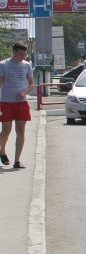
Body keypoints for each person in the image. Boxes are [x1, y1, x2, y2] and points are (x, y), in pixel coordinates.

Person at [0, 42, 35, 170]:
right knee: (6, 131)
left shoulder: (26, 65)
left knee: (21, 131)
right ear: (14, 52)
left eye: (25, 54)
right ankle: (2, 150)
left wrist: (24, 92)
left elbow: (31, 84)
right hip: (6, 102)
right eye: (21, 54)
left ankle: (17, 160)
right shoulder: (3, 65)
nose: (23, 56)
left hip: (21, 103)